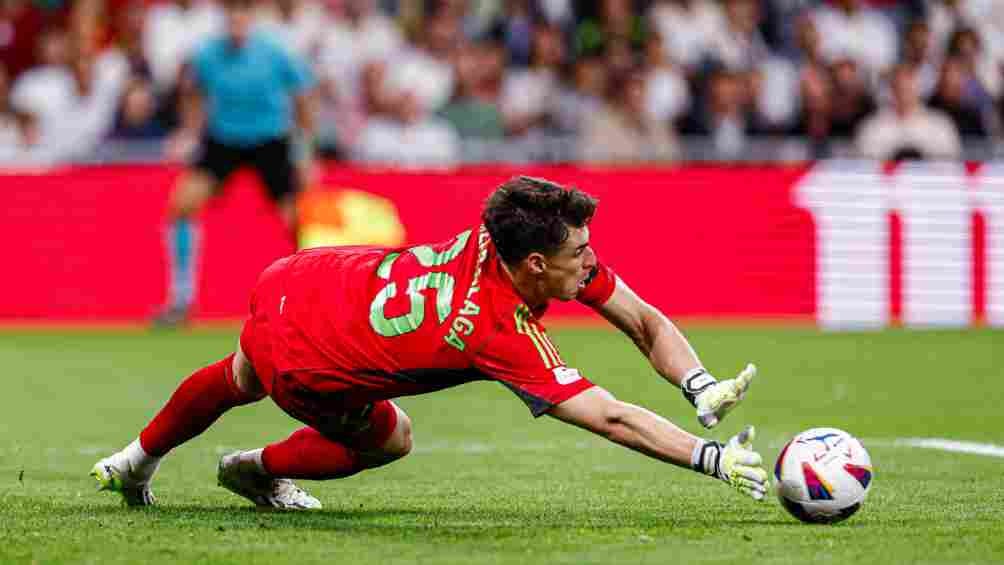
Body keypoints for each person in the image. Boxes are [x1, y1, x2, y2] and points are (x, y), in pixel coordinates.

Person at [92, 176, 767, 509]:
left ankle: (134, 459)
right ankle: (256, 469)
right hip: (308, 363)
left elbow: (641, 319)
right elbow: (610, 416)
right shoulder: (496, 330)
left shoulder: (509, 237)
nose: (592, 260)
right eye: (580, 252)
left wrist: (699, 384)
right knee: (392, 437)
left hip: (304, 279)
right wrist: (710, 458)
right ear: (537, 265)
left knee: (237, 375)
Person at [156, 0, 317, 326]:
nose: (236, 21)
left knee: (300, 222)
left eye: (242, 14)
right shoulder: (207, 55)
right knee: (182, 206)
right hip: (223, 141)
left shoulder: (274, 52)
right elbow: (193, 93)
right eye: (231, 14)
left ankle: (309, 302)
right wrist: (190, 132)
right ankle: (181, 300)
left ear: (250, 17)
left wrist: (304, 151)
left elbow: (303, 97)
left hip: (270, 141)